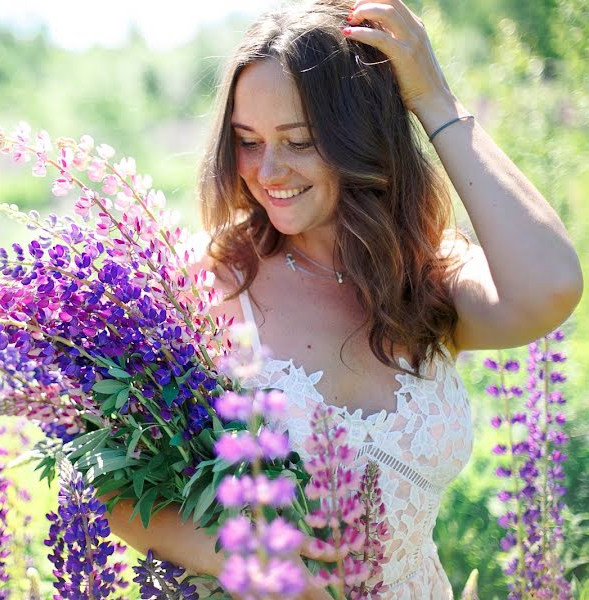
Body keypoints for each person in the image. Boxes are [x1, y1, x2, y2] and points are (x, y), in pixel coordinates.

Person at [106, 0, 583, 597]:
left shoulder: (423, 274)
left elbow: (551, 286)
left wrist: (434, 100)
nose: (268, 170)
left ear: (360, 138)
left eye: (299, 140)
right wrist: (249, 562)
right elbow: (118, 493)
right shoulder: (207, 281)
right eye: (247, 141)